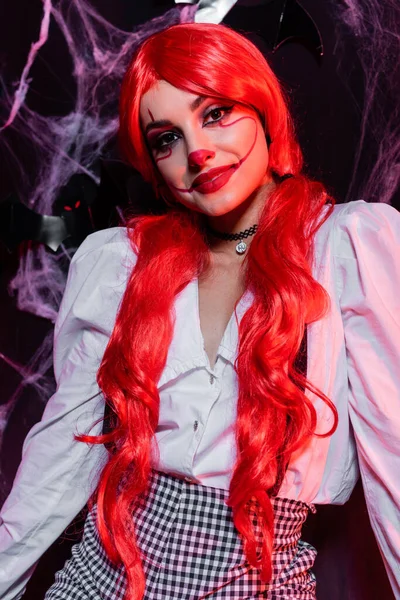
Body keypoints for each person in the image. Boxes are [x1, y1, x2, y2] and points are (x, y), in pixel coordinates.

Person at [0, 22, 399, 600]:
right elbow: (62, 452)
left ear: (262, 109)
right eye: (166, 139)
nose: (197, 151)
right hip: (101, 581)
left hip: (259, 584)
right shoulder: (121, 263)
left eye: (215, 113)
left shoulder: (349, 249)